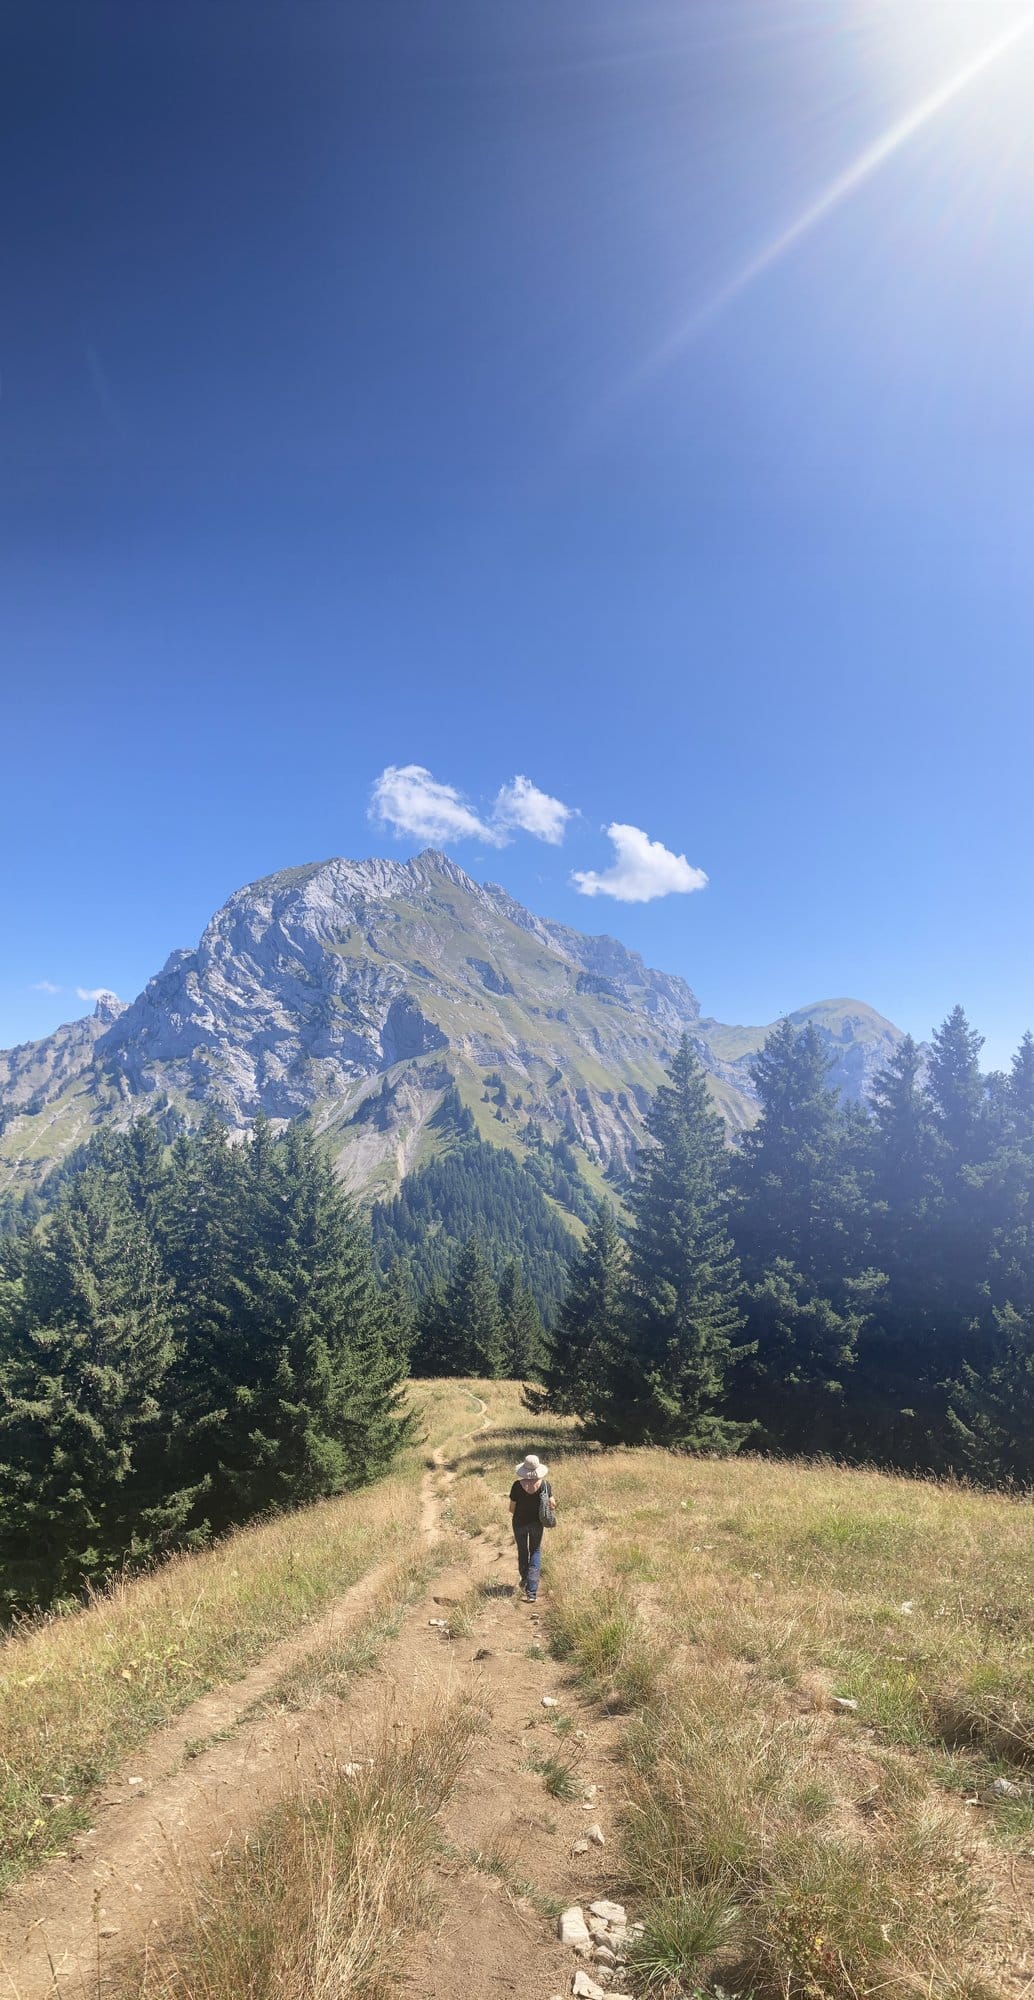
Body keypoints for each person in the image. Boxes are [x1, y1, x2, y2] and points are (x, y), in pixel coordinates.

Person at [509, 1453, 556, 1602]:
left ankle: (524, 1579)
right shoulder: (545, 1485)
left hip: (519, 1523)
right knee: (535, 1551)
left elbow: (511, 1508)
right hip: (536, 1523)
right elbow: (552, 1505)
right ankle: (532, 1592)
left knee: (522, 1551)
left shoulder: (517, 1485)